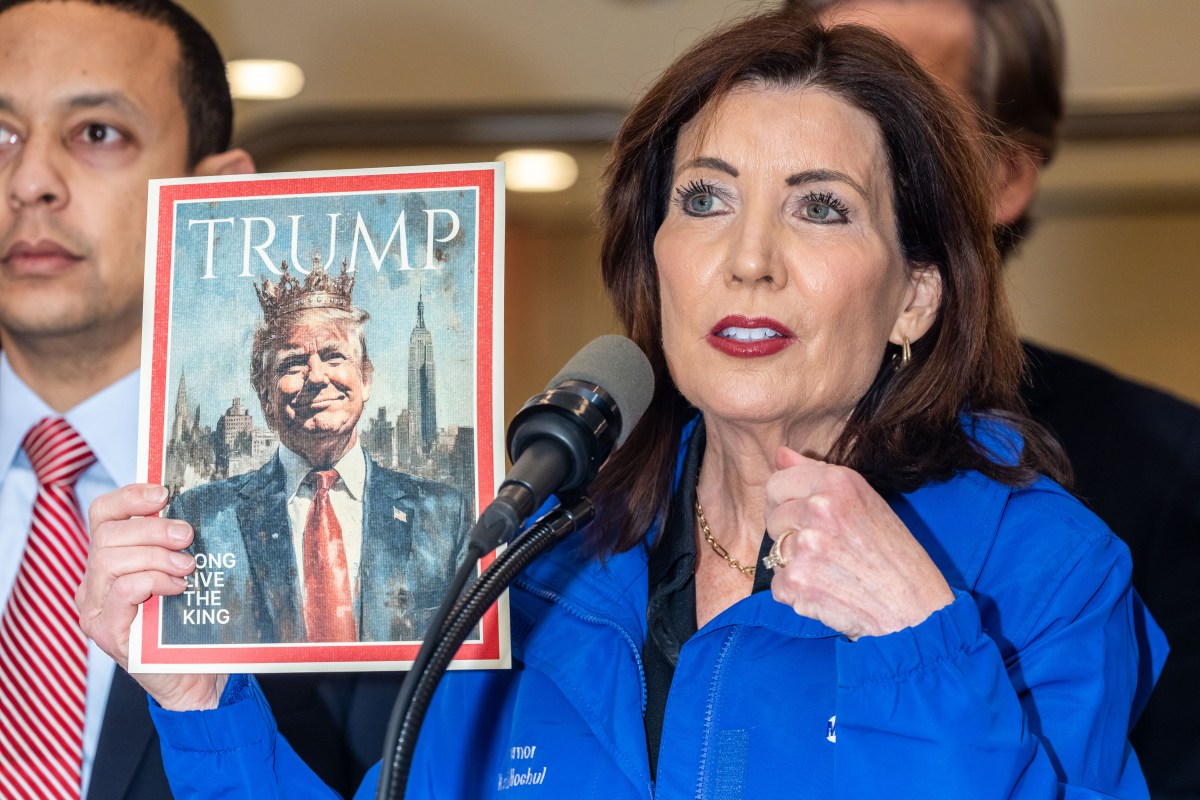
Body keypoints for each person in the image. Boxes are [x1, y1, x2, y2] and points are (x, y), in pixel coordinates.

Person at [77, 12, 1166, 798]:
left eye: (820, 209)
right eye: (706, 199)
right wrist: (200, 701)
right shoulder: (541, 566)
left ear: (915, 295)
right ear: (656, 264)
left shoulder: (1043, 574)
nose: (749, 259)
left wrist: (917, 645)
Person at [785, 2, 1200, 795]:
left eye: (892, 97)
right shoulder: (624, 463)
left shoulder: (1162, 477)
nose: (829, 129)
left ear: (1004, 176)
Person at [0, 0, 396, 795]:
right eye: (0, 136)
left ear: (214, 193)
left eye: (97, 134)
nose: (30, 182)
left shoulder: (343, 530)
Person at [162, 262, 470, 645]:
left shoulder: (443, 515)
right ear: (264, 397)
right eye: (293, 363)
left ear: (366, 378)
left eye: (334, 356)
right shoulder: (201, 520)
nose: (318, 376)